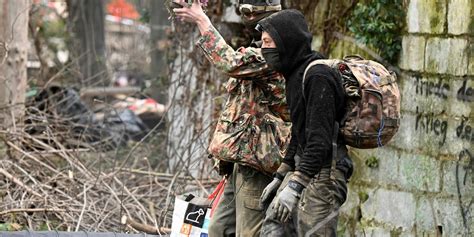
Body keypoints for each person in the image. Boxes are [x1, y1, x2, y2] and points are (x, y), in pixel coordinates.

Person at [173, 1, 291, 236]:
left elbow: (229, 62)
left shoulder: (273, 56)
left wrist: (201, 19)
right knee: (218, 229)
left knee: (249, 232)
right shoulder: (261, 51)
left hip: (258, 163)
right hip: (242, 161)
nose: (244, 15)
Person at [256, 9, 354, 236]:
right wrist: (281, 175)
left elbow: (318, 142)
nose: (264, 49)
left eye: (268, 42)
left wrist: (294, 186)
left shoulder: (318, 76)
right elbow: (300, 134)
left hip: (325, 175)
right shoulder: (294, 75)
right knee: (272, 229)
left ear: (286, 41)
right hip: (304, 169)